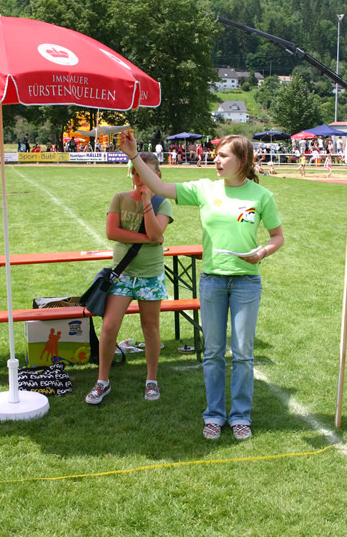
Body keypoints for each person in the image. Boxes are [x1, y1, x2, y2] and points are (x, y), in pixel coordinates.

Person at [120, 133, 283, 441]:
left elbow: (277, 236)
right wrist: (133, 156)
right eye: (216, 154)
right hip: (212, 281)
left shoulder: (262, 196)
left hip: (247, 282)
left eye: (223, 156)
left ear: (242, 161)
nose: (216, 160)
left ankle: (240, 416)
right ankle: (214, 415)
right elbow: (159, 187)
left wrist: (261, 253)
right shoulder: (205, 189)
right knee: (213, 352)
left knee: (243, 353)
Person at [85, 152, 173, 406]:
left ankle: (151, 380)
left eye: (145, 173)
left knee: (150, 328)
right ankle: (102, 381)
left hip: (150, 276)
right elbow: (112, 232)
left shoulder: (162, 203)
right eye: (136, 172)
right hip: (122, 274)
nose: (139, 177)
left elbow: (156, 231)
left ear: (157, 176)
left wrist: (146, 201)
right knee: (109, 326)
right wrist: (149, 239)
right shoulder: (120, 198)